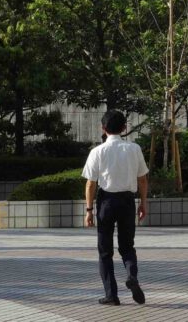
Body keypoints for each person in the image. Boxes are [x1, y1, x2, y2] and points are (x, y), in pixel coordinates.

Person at [82, 110, 148, 306]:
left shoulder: (97, 151)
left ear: (103, 128)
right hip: (127, 201)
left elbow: (90, 184)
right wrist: (143, 203)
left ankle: (111, 295)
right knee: (127, 246)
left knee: (105, 250)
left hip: (106, 202)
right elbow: (143, 179)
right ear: (124, 128)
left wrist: (89, 211)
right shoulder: (134, 149)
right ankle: (131, 275)